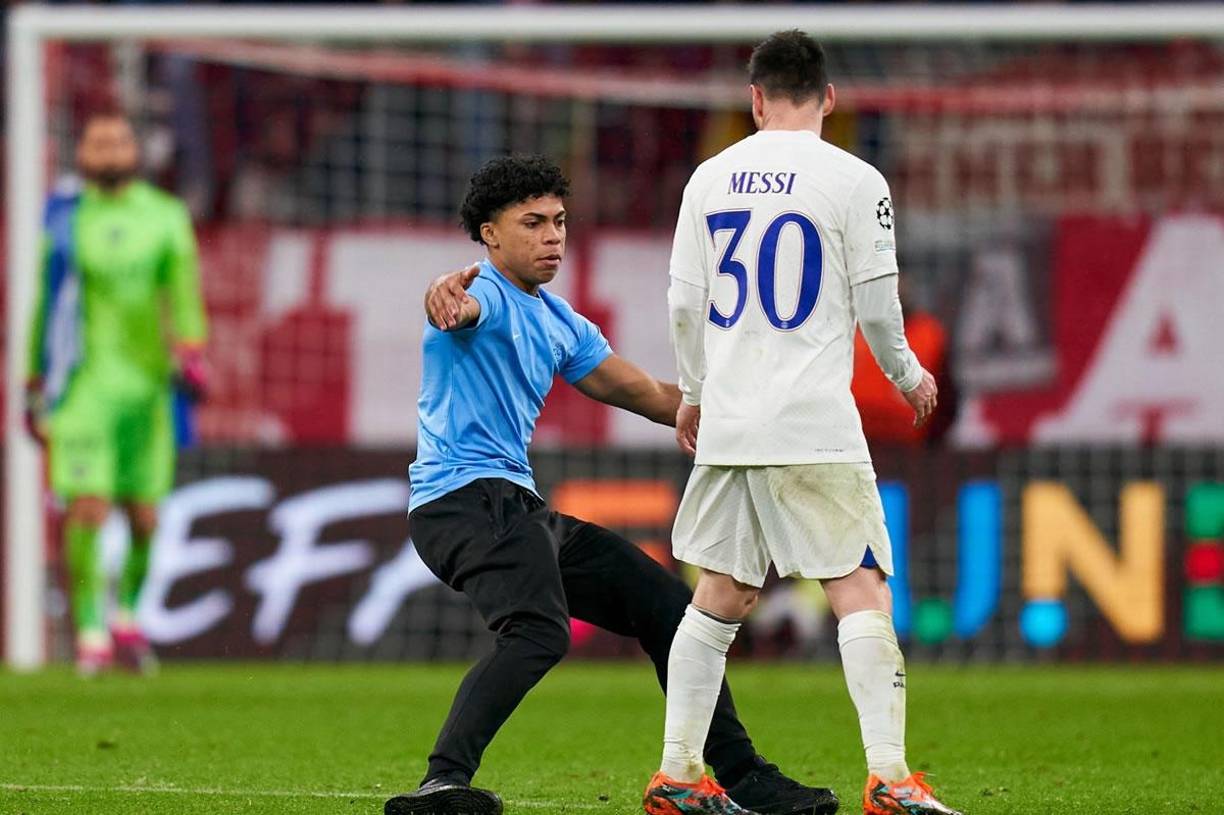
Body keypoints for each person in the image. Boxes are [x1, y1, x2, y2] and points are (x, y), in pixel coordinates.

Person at [387, 155, 838, 815]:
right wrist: (443, 295)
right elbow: (456, 305)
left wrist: (743, 410)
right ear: (489, 233)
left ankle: (743, 776)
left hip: (516, 506)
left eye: (560, 222)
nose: (553, 237)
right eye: (533, 222)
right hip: (459, 502)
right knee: (538, 631)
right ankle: (442, 782)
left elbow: (656, 396)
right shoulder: (477, 292)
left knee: (669, 609)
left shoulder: (561, 323)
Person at [643, 32, 964, 815]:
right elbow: (880, 304)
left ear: (754, 100)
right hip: (811, 419)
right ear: (828, 97)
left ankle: (678, 771)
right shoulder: (855, 178)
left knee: (717, 594)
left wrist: (693, 393)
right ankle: (889, 776)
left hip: (729, 421)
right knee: (859, 588)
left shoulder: (707, 178)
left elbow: (684, 303)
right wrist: (909, 375)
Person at [25, 111, 209, 676]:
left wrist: (191, 352)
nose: (108, 150)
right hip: (82, 386)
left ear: (135, 151)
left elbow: (182, 292)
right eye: (97, 141)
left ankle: (126, 616)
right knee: (87, 506)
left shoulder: (165, 216)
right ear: (81, 152)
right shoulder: (62, 217)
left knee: (145, 516)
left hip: (148, 389)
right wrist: (32, 379)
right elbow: (43, 301)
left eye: (118, 141)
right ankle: (88, 632)